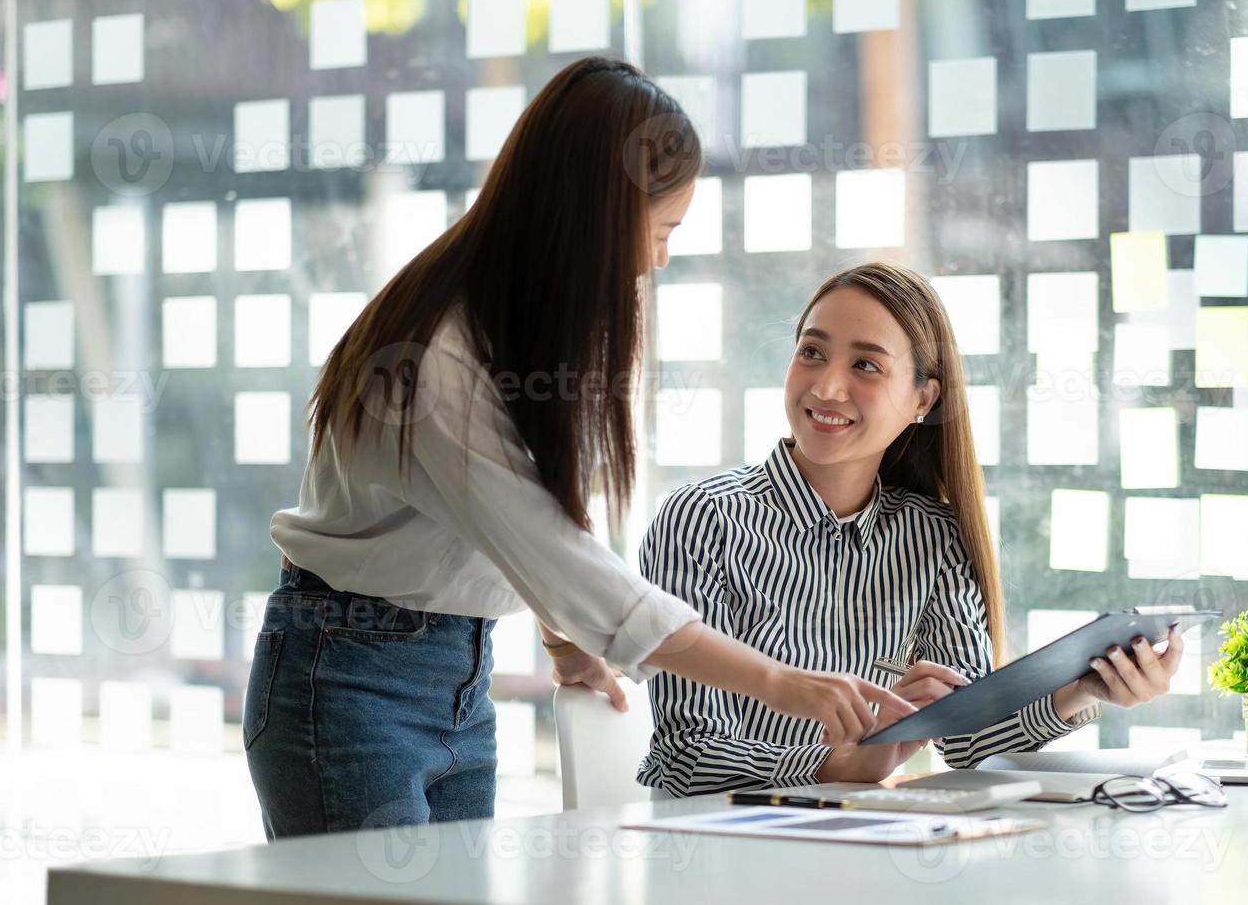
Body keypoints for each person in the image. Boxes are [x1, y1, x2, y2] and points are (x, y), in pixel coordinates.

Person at [245, 58, 913, 839]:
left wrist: (563, 636)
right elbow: (556, 550)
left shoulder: (518, 327)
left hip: (457, 674)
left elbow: (517, 523)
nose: (659, 260)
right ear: (592, 213)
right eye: (660, 231)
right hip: (347, 677)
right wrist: (781, 684)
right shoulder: (437, 358)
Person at [637, 262, 1185, 796]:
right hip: (723, 849)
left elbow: (970, 745)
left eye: (866, 366)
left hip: (861, 844)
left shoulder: (932, 535)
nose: (827, 387)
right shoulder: (702, 518)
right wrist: (846, 763)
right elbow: (688, 754)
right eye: (812, 352)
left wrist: (1081, 689)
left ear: (923, 399)